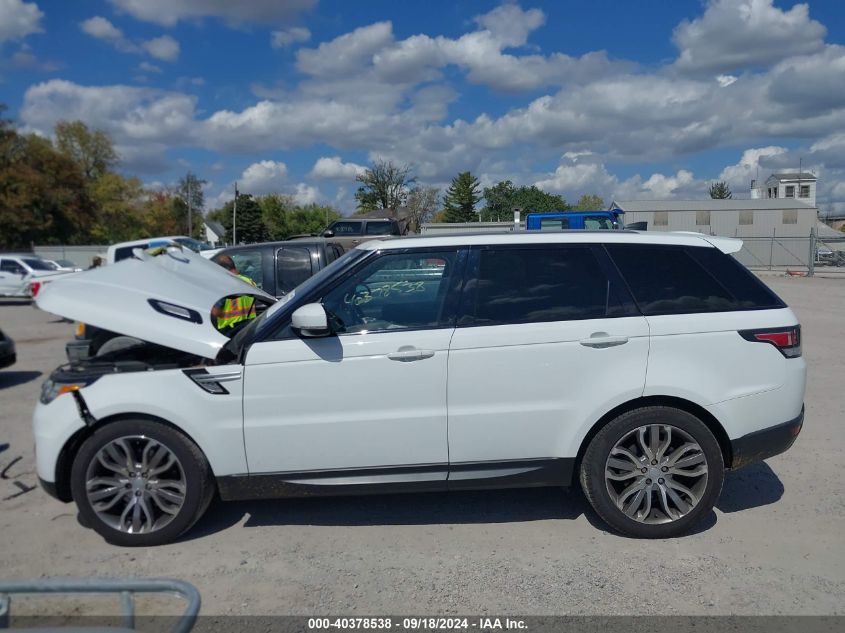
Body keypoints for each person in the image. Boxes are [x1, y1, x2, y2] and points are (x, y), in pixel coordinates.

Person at [212, 255, 258, 331]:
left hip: (229, 330)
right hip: (249, 327)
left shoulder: (225, 285)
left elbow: (215, 312)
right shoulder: (250, 282)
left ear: (221, 269)